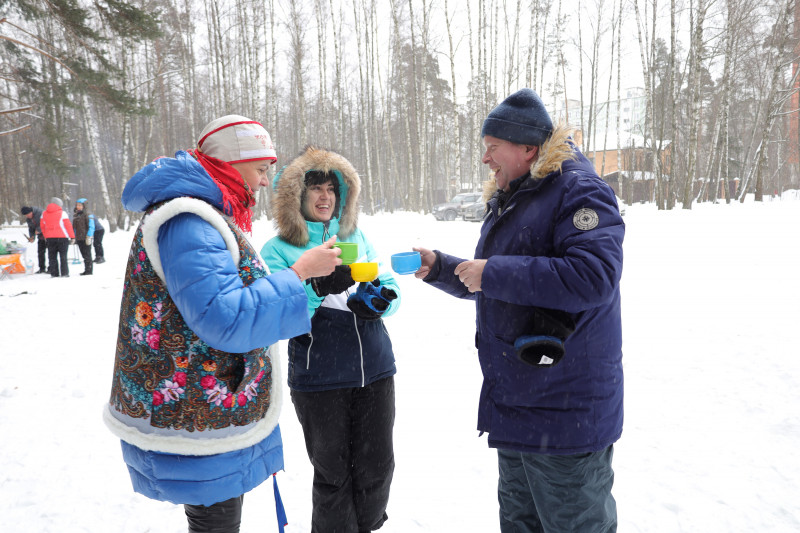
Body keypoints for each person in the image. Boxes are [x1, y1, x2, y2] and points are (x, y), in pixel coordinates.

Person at [103, 115, 342, 533]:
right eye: (260, 169)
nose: (266, 181)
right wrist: (299, 273)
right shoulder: (190, 222)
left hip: (207, 409)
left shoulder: (204, 214)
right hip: (199, 414)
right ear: (230, 164)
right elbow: (225, 319)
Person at [414, 88, 625, 532]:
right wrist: (443, 268)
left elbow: (593, 277)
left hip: (565, 414)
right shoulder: (518, 194)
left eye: (493, 148)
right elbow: (504, 282)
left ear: (528, 148)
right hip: (519, 408)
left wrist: (493, 272)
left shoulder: (579, 191)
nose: (486, 159)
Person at [261, 146, 400, 533]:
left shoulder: (355, 235)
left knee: (377, 466)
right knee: (334, 474)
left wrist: (378, 302)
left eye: (331, 189)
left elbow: (387, 285)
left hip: (374, 369)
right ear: (296, 197)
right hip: (319, 377)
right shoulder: (277, 251)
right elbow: (277, 315)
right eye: (315, 188)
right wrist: (317, 287)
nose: (325, 196)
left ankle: (368, 527)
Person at [39, 197, 75, 278]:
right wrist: (72, 236)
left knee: (52, 257)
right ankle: (64, 273)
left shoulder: (43, 214)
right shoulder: (63, 213)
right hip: (62, 237)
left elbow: (42, 226)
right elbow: (68, 226)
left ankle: (54, 273)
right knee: (63, 256)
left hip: (50, 238)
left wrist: (45, 235)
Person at [20, 205, 48, 273]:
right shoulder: (28, 219)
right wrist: (32, 237)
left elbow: (46, 222)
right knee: (40, 252)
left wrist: (39, 229)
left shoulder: (40, 213)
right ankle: (42, 268)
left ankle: (51, 268)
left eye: (28, 214)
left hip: (48, 235)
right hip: (40, 237)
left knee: (51, 253)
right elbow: (31, 228)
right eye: (26, 215)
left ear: (31, 211)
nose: (27, 216)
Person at [72, 198, 94, 275]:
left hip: (85, 238)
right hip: (79, 238)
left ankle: (89, 270)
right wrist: (73, 236)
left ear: (84, 206)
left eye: (80, 205)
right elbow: (74, 227)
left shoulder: (88, 214)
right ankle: (86, 269)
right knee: (84, 255)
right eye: (77, 205)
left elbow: (91, 226)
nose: (78, 207)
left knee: (87, 255)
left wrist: (89, 236)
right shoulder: (76, 215)